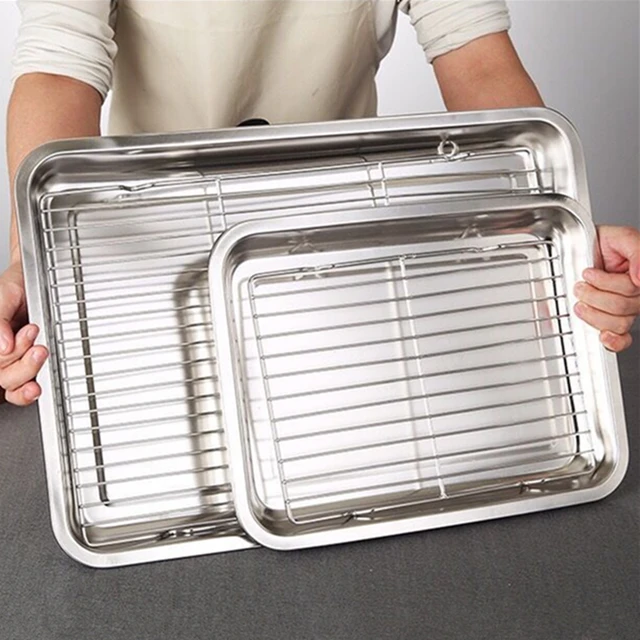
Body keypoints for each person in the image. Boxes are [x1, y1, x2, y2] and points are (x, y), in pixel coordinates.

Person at [1, 0, 639, 406]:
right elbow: (59, 70)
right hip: (147, 264)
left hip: (339, 255)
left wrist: (563, 238)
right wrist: (36, 261)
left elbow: (477, 62)